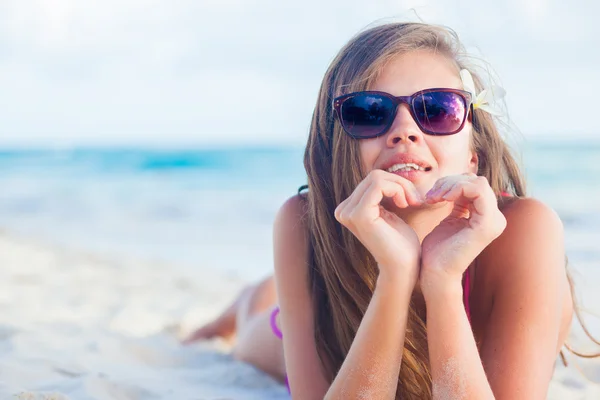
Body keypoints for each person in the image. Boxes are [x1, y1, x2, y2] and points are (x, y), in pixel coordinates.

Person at [184, 22, 599, 399]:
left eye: (437, 109)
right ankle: (249, 301)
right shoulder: (303, 223)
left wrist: (443, 279)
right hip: (316, 339)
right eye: (369, 112)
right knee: (250, 338)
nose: (405, 131)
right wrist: (395, 275)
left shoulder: (524, 231)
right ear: (336, 150)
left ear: (473, 154)